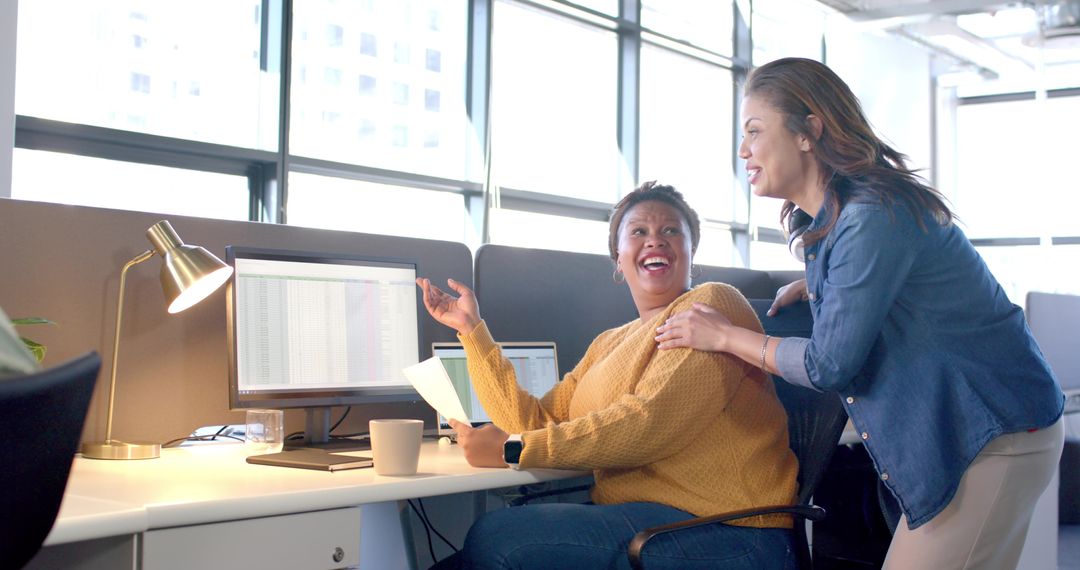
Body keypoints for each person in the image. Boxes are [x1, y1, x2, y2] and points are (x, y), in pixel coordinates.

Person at [655, 57, 1065, 570]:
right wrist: (830, 287)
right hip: (981, 433)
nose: (743, 150)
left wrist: (725, 336)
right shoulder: (841, 222)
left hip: (993, 435)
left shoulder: (871, 216)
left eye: (755, 131)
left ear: (809, 132)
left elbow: (830, 364)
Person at [416, 181, 799, 570]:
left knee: (496, 539)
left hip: (732, 531)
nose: (656, 241)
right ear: (618, 258)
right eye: (639, 232)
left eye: (671, 231)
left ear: (690, 251)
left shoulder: (709, 306)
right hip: (655, 523)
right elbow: (534, 420)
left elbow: (647, 423)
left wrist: (512, 449)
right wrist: (472, 331)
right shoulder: (609, 342)